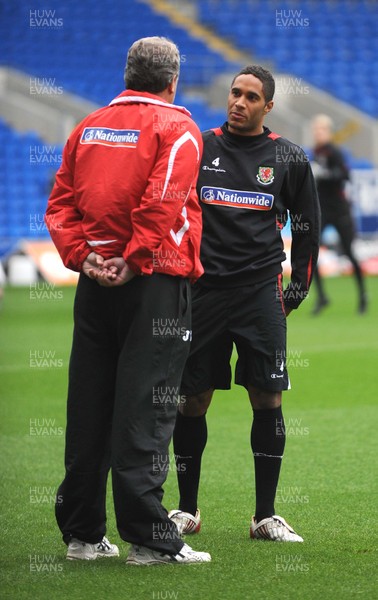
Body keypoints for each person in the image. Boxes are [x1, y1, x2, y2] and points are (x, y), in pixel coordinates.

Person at [45, 36, 211, 565]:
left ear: (127, 74)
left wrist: (84, 257)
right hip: (153, 283)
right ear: (172, 80)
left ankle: (82, 535)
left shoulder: (86, 127)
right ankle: (149, 539)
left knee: (89, 403)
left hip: (95, 285)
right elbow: (163, 202)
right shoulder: (178, 128)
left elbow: (60, 203)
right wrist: (134, 258)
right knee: (148, 403)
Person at [168, 65, 320, 542]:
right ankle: (187, 509)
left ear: (267, 106)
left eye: (251, 96)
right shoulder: (202, 147)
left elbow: (307, 225)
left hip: (259, 294)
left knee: (267, 398)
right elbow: (172, 210)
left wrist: (297, 289)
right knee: (191, 401)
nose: (239, 102)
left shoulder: (288, 157)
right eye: (235, 93)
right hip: (205, 292)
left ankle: (265, 516)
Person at [310, 114, 367, 314]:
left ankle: (362, 297)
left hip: (340, 209)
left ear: (328, 131)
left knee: (349, 253)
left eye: (321, 129)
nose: (318, 132)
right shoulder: (316, 152)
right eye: (316, 129)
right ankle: (322, 297)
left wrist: (324, 174)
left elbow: (345, 175)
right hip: (323, 210)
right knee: (312, 252)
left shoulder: (335, 151)